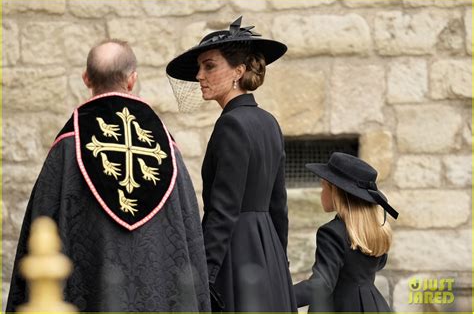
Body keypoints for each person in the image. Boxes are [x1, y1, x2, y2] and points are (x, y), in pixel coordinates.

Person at [6, 39, 211, 312]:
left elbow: (40, 228)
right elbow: (188, 235)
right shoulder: (167, 148)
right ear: (132, 80)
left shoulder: (69, 147)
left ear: (86, 78)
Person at [166, 17, 297, 311]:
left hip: (237, 258)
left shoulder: (231, 125)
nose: (200, 75)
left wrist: (205, 277)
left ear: (238, 70)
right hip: (268, 254)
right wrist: (279, 263)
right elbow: (279, 208)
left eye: (209, 65)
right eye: (200, 67)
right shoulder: (269, 122)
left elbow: (223, 212)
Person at [294, 152, 399, 312]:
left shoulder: (331, 233)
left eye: (323, 186)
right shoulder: (374, 231)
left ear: (335, 191)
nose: (321, 193)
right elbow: (376, 264)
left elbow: (321, 286)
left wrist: (280, 295)